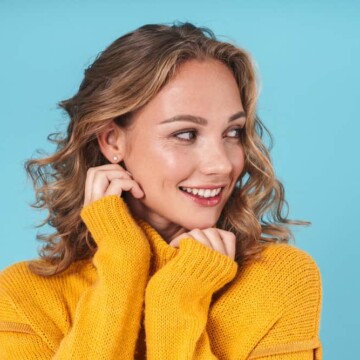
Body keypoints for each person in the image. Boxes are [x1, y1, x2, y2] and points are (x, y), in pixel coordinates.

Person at [0, 22, 322, 359]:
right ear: (112, 140)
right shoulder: (23, 297)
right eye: (185, 134)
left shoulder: (279, 280)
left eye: (233, 132)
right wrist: (123, 264)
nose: (222, 165)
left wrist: (176, 299)